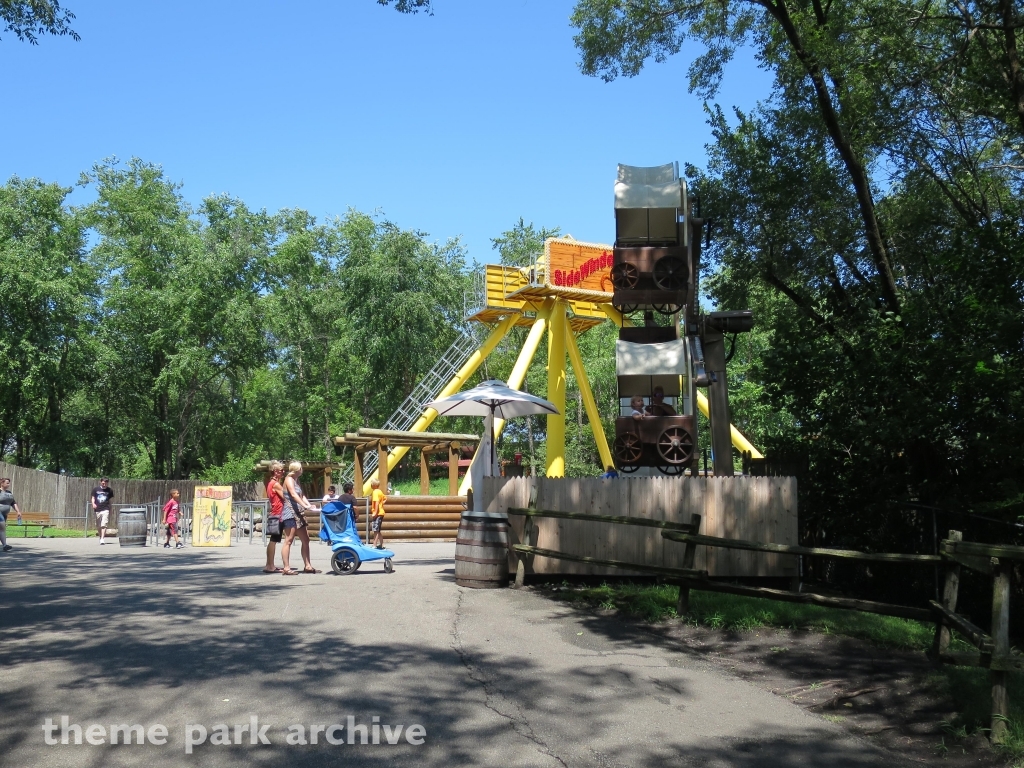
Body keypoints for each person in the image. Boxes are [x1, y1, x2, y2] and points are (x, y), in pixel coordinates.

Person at [281, 461, 320, 575]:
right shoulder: (289, 479)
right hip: (290, 513)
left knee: (306, 540)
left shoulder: (296, 481)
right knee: (289, 540)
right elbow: (293, 494)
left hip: (299, 513)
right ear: (297, 469)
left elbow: (301, 496)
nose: (302, 470)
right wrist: (305, 506)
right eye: (301, 468)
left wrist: (309, 505)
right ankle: (286, 568)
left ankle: (308, 566)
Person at [263, 462, 285, 573]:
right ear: (275, 471)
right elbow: (286, 497)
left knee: (273, 540)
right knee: (274, 540)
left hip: (274, 513)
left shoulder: (271, 483)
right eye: (281, 470)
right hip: (278, 513)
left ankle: (269, 565)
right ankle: (270, 565)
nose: (283, 472)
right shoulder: (275, 484)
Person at [0, 477, 22, 552]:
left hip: (4, 514)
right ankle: (5, 545)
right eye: (7, 483)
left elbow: (13, 503)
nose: (9, 484)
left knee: (1, 529)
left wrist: (18, 511)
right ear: (2, 483)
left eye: (9, 483)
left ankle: (5, 545)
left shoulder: (9, 493)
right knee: (2, 528)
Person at [91, 477, 114, 545]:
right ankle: (100, 536)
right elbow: (93, 498)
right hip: (97, 509)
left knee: (104, 524)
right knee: (98, 525)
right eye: (103, 483)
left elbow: (110, 501)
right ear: (101, 482)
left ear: (107, 483)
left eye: (106, 483)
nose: (104, 484)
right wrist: (93, 504)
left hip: (106, 508)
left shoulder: (110, 490)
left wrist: (110, 509)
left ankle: (102, 539)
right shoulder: (96, 489)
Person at [370, 478, 387, 549]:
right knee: (378, 530)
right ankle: (382, 544)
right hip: (381, 513)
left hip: (378, 513)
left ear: (373, 485)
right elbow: (385, 498)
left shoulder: (375, 492)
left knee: (375, 530)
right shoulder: (380, 491)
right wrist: (382, 503)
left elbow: (376, 503)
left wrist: (375, 513)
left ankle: (374, 545)